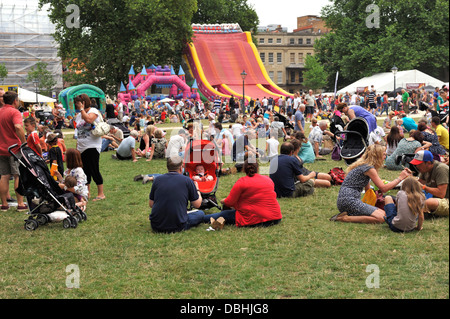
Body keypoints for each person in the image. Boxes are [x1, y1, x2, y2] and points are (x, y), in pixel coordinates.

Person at [331, 144, 412, 224]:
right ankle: (345, 218)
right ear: (377, 155)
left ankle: (349, 214)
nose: (385, 157)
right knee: (381, 218)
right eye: (384, 154)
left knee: (384, 214)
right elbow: (383, 188)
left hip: (345, 200)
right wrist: (400, 178)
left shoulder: (364, 165)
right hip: (349, 201)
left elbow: (368, 188)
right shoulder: (369, 168)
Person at [203, 158, 282, 228]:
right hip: (275, 218)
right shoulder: (267, 179)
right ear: (257, 169)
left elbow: (230, 202)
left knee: (224, 214)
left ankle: (199, 217)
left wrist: (223, 201)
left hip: (255, 219)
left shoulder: (242, 182)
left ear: (244, 169)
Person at [149, 156, 205, 233]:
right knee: (200, 213)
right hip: (178, 225)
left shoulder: (157, 180)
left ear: (167, 167)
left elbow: (151, 204)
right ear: (181, 168)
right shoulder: (187, 181)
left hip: (156, 225)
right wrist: (197, 189)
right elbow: (197, 204)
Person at [74, 93, 105, 201]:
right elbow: (78, 132)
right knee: (85, 171)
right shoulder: (78, 115)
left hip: (92, 145)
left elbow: (89, 120)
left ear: (84, 102)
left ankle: (101, 194)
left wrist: (82, 109)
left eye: (78, 103)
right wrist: (77, 147)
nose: (76, 105)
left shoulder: (94, 111)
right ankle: (87, 193)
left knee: (94, 169)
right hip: (81, 146)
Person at [0, 91, 27, 211]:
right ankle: (20, 204)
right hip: (14, 148)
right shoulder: (14, 112)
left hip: (1, 149)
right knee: (17, 175)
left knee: (4, 176)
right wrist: (24, 141)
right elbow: (18, 126)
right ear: (15, 101)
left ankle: (4, 204)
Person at [410, 150, 449, 217]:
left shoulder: (441, 169)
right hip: (435, 197)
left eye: (419, 164)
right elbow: (419, 183)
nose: (417, 166)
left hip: (446, 200)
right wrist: (409, 178)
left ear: (428, 163)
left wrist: (424, 187)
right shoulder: (424, 169)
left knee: (429, 202)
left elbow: (441, 194)